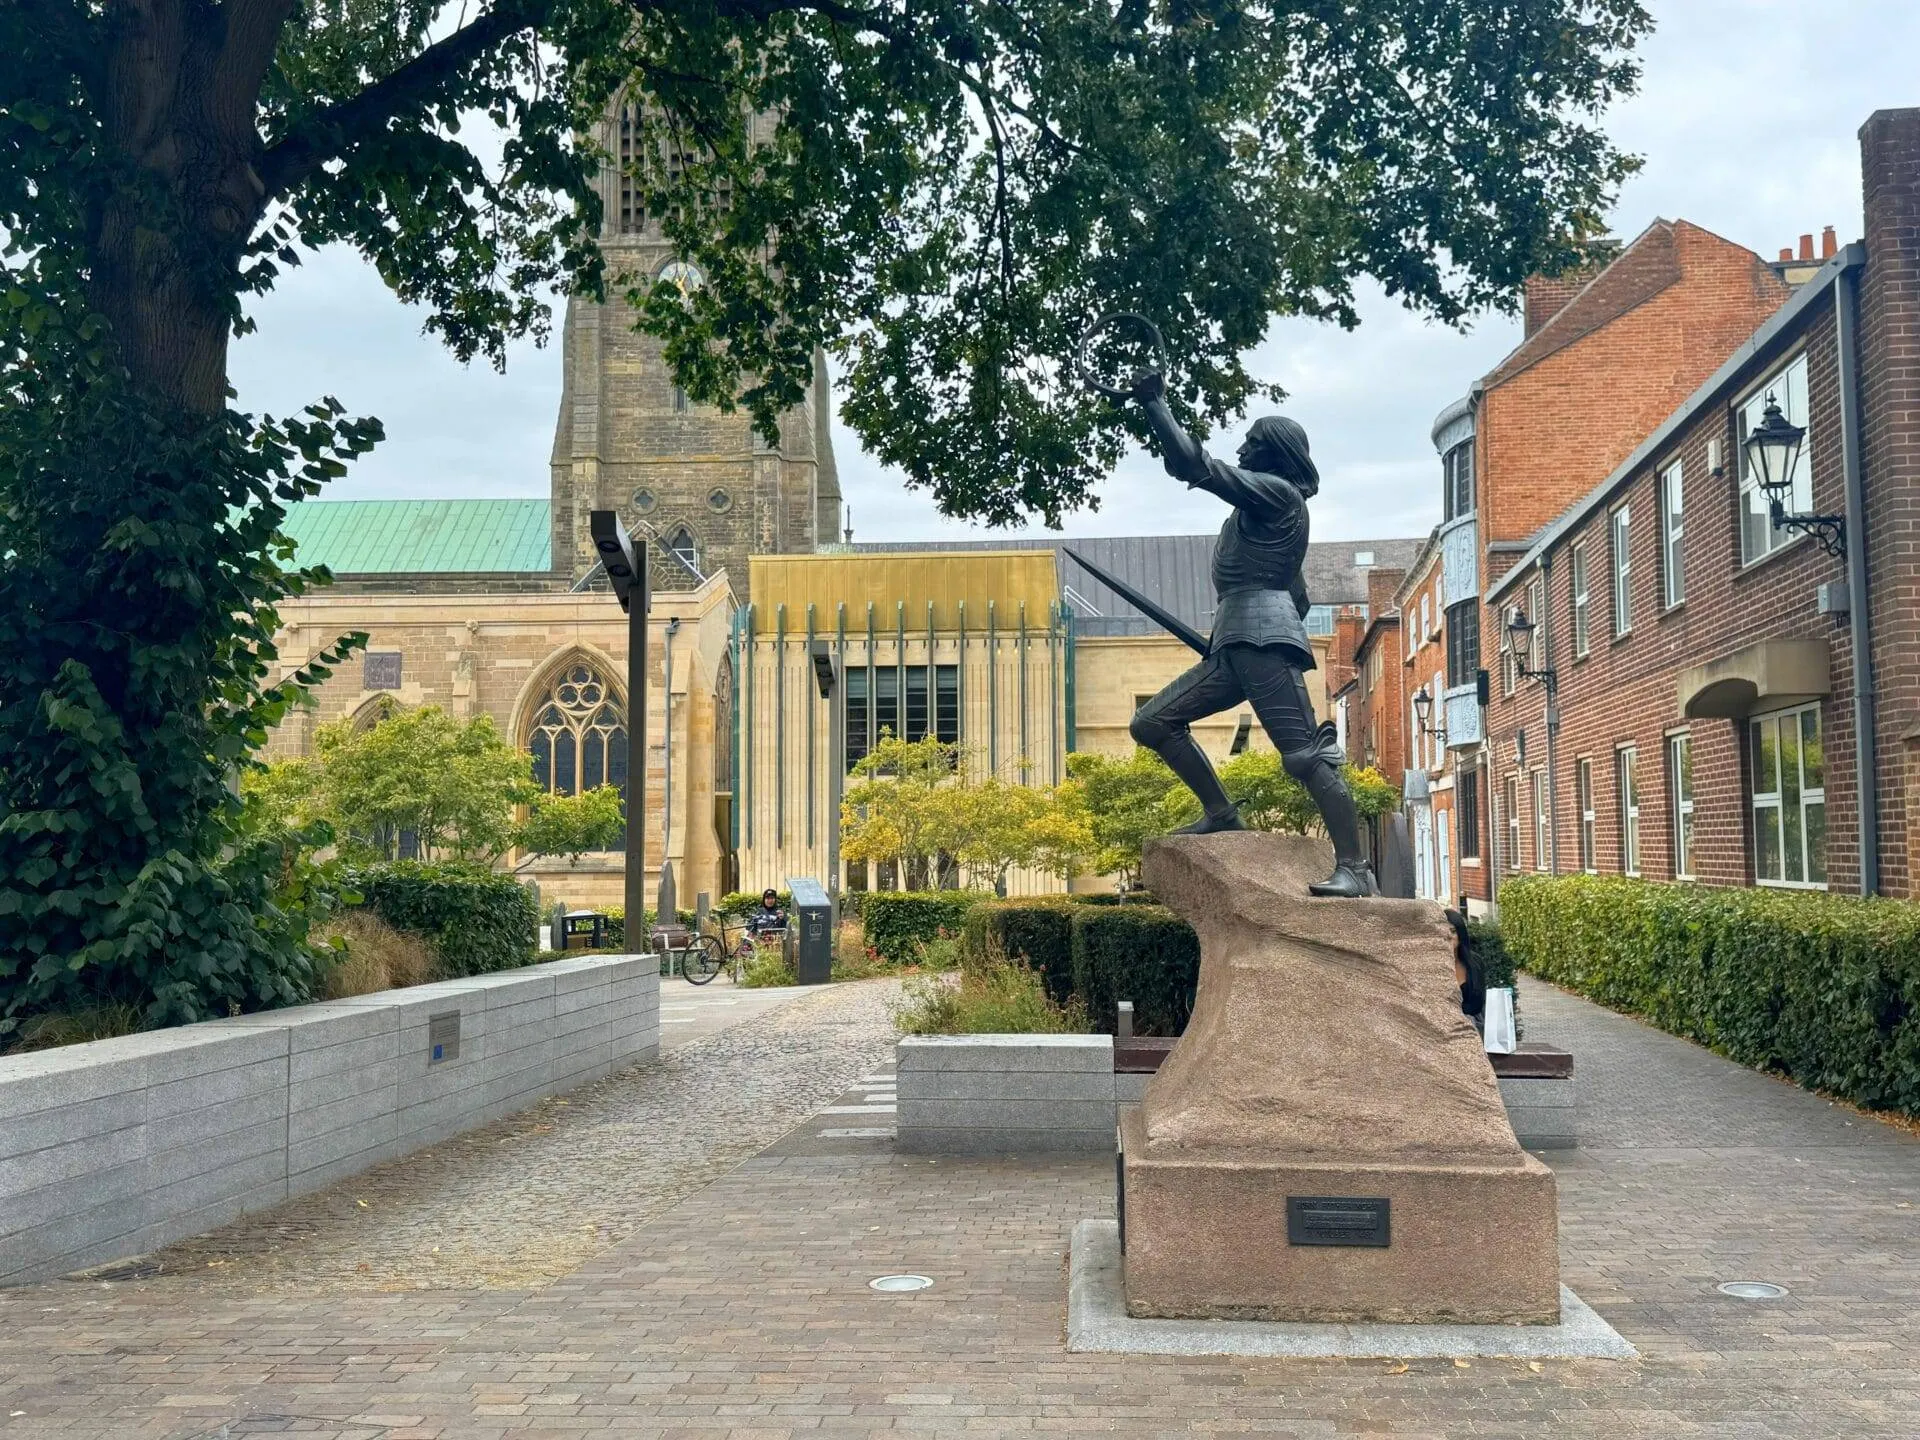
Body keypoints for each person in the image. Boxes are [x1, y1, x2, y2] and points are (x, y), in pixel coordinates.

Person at [1123, 368, 1376, 897]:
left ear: (1274, 454)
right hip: (1238, 641)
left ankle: (1355, 867)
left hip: (1258, 641)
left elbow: (1194, 465)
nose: (1241, 447)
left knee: (1304, 755)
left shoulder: (1278, 496)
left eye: (1252, 443)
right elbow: (1299, 596)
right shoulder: (1259, 512)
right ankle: (1221, 813)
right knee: (1153, 722)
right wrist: (1247, 629)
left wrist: (1155, 405)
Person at [1445, 904, 1486, 1033]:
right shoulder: (1432, 965)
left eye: (1453, 931)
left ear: (1460, 934)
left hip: (1472, 1026)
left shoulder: (1475, 963)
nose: (1448, 936)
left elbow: (1477, 1004)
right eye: (1443, 932)